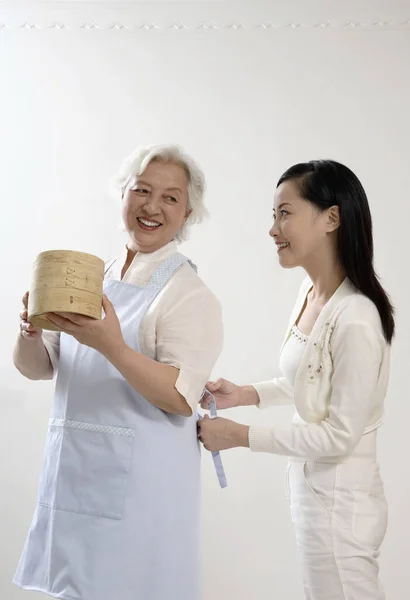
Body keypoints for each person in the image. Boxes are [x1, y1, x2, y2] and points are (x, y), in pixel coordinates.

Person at [13, 144, 223, 600]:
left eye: (170, 197)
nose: (152, 206)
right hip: (74, 479)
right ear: (123, 194)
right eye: (142, 190)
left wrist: (110, 345)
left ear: (188, 213)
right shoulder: (90, 279)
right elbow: (39, 368)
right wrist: (30, 332)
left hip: (139, 496)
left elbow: (180, 397)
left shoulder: (188, 294)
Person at [198, 159, 393, 600]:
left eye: (284, 213)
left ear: (331, 217)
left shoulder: (357, 316)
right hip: (314, 498)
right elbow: (310, 383)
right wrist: (245, 394)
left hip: (343, 508)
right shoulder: (311, 294)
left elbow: (339, 435)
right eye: (274, 215)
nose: (273, 229)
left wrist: (240, 436)